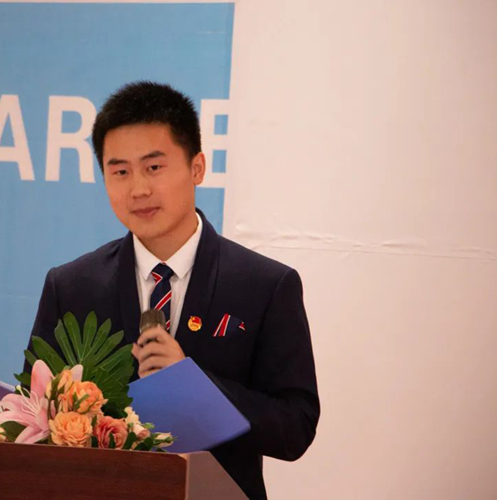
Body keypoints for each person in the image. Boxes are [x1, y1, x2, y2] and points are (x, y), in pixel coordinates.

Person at [25, 81, 319, 499]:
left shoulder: (266, 286)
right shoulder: (72, 286)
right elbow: (38, 413)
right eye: (120, 171)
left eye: (154, 167)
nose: (138, 189)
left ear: (197, 167)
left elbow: (295, 428)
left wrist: (196, 388)